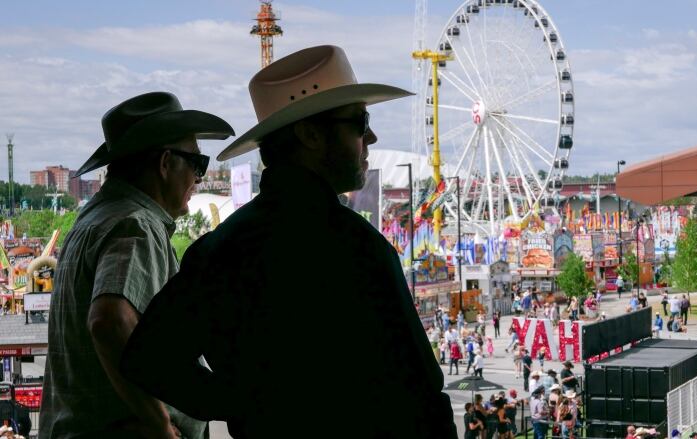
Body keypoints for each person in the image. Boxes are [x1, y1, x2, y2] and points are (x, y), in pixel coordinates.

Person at [119, 46, 456, 438]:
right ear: (311, 135)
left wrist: (239, 403)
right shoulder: (358, 248)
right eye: (360, 123)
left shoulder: (220, 250)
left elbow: (147, 359)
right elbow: (423, 396)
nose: (371, 137)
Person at [39, 92, 234, 438]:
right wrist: (159, 423)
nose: (200, 179)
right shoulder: (136, 225)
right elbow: (109, 321)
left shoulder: (92, 220)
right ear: (164, 163)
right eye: (197, 164)